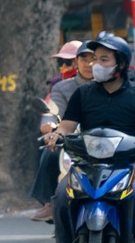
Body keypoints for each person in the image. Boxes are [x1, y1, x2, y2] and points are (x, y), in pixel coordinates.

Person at [47, 33, 135, 243]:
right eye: (93, 59)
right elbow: (67, 126)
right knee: (61, 195)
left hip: (128, 163)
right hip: (87, 163)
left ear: (120, 64)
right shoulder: (83, 94)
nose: (94, 64)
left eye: (103, 59)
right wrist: (57, 134)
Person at [32, 41, 92, 220]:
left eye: (94, 59)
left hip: (107, 142)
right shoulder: (61, 87)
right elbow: (52, 111)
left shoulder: (112, 87)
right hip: (72, 140)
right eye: (84, 59)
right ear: (77, 62)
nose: (89, 64)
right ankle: (50, 202)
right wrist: (50, 125)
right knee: (51, 152)